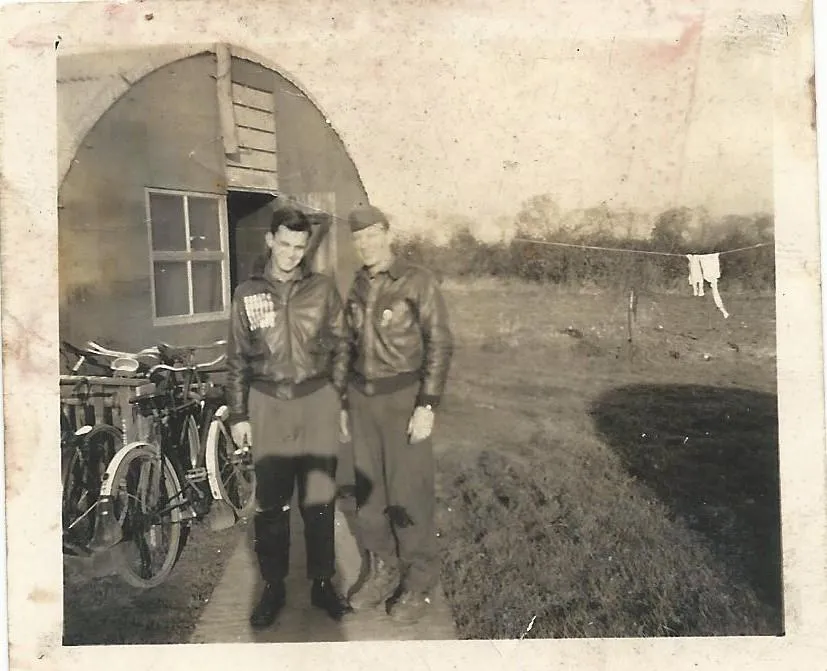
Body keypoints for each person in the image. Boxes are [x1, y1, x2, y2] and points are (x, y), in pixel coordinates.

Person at [226, 206, 352, 629]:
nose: (292, 254)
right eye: (285, 244)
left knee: (318, 499)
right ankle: (273, 586)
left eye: (299, 247)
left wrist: (335, 395)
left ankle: (321, 583)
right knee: (272, 505)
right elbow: (238, 359)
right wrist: (240, 413)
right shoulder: (247, 292)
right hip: (268, 405)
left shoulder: (323, 289)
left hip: (316, 402)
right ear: (270, 241)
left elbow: (341, 345)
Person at [343, 204, 453, 624]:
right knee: (370, 498)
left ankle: (418, 582)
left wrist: (427, 404)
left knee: (408, 495)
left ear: (387, 234)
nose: (365, 243)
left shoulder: (416, 281)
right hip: (362, 401)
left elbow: (440, 343)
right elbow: (346, 347)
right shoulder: (355, 285)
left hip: (404, 399)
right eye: (358, 237)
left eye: (372, 234)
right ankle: (384, 567)